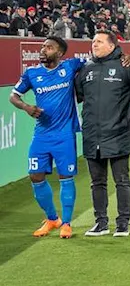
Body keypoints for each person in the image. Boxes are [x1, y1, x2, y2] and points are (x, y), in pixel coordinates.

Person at [11, 36, 83, 238]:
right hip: (41, 134)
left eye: (48, 47)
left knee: (65, 177)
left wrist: (123, 57)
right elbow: (13, 96)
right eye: (42, 47)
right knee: (35, 175)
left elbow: (97, 60)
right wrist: (26, 107)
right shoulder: (32, 74)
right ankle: (52, 219)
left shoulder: (70, 67)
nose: (43, 50)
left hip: (64, 135)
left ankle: (66, 224)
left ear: (59, 53)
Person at [76, 31, 130, 237]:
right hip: (92, 135)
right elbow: (79, 95)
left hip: (119, 133)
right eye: (93, 41)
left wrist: (123, 114)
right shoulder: (86, 70)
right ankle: (100, 223)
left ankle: (123, 224)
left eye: (99, 41)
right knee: (97, 182)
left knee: (121, 180)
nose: (94, 44)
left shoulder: (126, 67)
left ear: (112, 46)